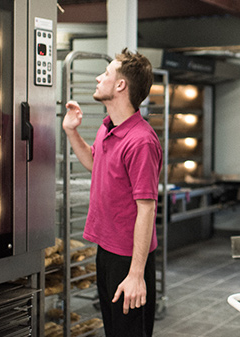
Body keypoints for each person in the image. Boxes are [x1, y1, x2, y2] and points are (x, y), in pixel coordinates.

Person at [62, 48, 162, 337]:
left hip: (128, 258)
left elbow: (146, 208)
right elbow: (96, 164)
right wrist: (72, 132)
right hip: (107, 250)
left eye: (105, 74)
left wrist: (135, 274)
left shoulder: (141, 141)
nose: (98, 77)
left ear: (120, 85)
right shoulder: (108, 128)